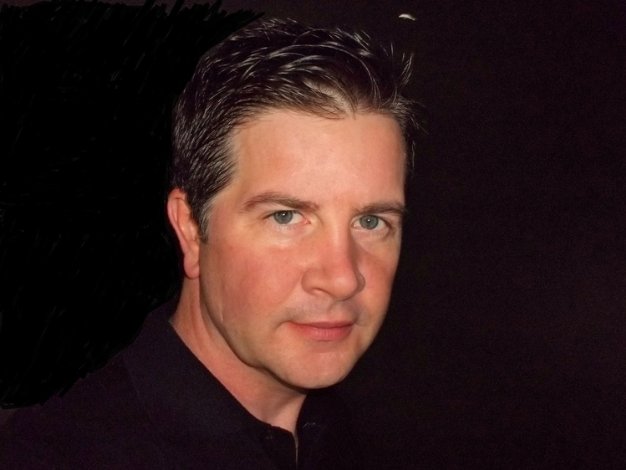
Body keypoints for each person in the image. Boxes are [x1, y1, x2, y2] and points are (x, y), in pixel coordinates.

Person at [0, 17, 420, 469]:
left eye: (371, 221)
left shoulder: (346, 431)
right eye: (285, 216)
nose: (342, 279)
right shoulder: (56, 455)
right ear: (190, 229)